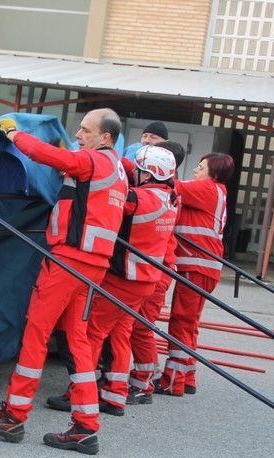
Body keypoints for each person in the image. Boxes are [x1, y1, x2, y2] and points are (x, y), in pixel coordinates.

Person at [0, 108, 128, 455]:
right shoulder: (117, 169)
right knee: (78, 340)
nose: (78, 136)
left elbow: (46, 156)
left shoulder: (93, 161)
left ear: (106, 138)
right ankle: (85, 426)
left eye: (85, 131)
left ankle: (14, 416)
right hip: (92, 265)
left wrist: (14, 134)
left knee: (36, 333)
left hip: (70, 261)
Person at [46, 146, 180, 415]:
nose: (135, 174)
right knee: (120, 334)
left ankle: (78, 393)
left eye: (139, 171)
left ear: (147, 175)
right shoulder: (170, 197)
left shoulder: (140, 199)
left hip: (124, 278)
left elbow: (112, 196)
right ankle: (115, 395)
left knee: (92, 333)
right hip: (144, 281)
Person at [155, 152, 235, 396]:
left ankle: (173, 381)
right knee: (190, 323)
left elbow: (170, 184)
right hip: (204, 266)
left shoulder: (207, 188)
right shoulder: (216, 191)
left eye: (200, 168)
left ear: (214, 173)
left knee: (181, 321)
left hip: (196, 265)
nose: (195, 171)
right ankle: (187, 376)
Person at [126, 140, 186, 404]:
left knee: (140, 328)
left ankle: (143, 383)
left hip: (157, 270)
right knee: (136, 327)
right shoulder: (169, 190)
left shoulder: (158, 194)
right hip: (159, 267)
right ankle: (140, 379)